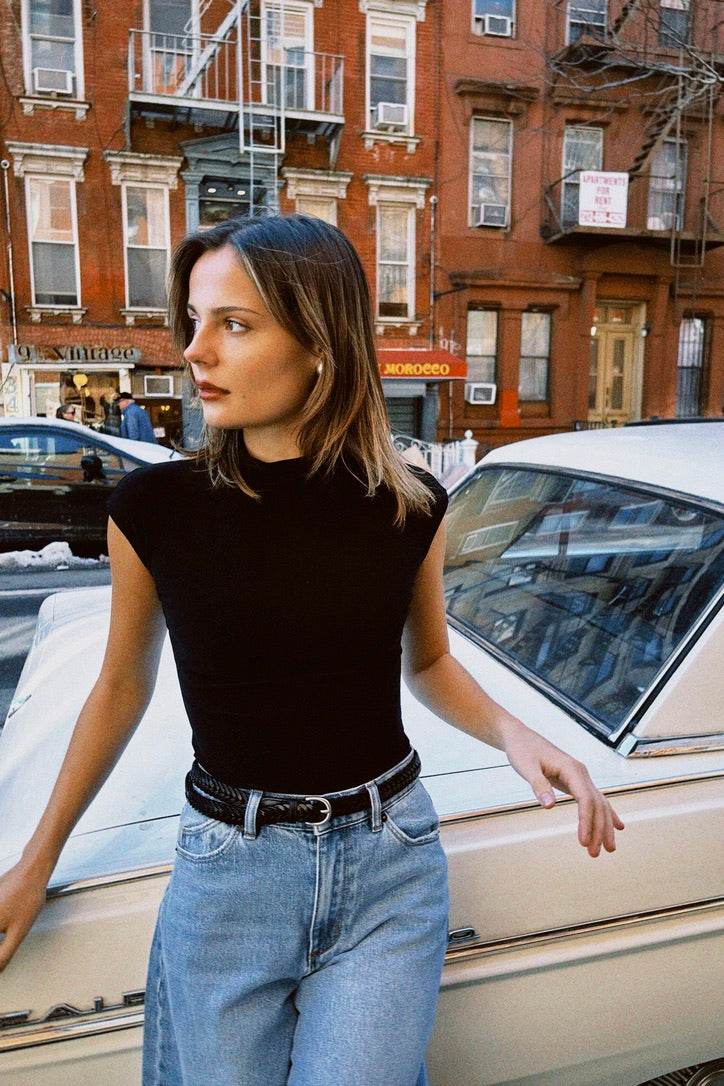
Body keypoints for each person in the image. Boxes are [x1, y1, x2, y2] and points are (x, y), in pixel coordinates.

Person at [0, 216, 623, 1086]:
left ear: (321, 345)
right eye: (194, 320)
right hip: (230, 872)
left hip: (388, 863)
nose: (195, 350)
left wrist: (519, 735)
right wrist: (35, 863)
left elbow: (428, 661)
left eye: (234, 324)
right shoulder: (154, 508)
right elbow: (119, 687)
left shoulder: (410, 504)